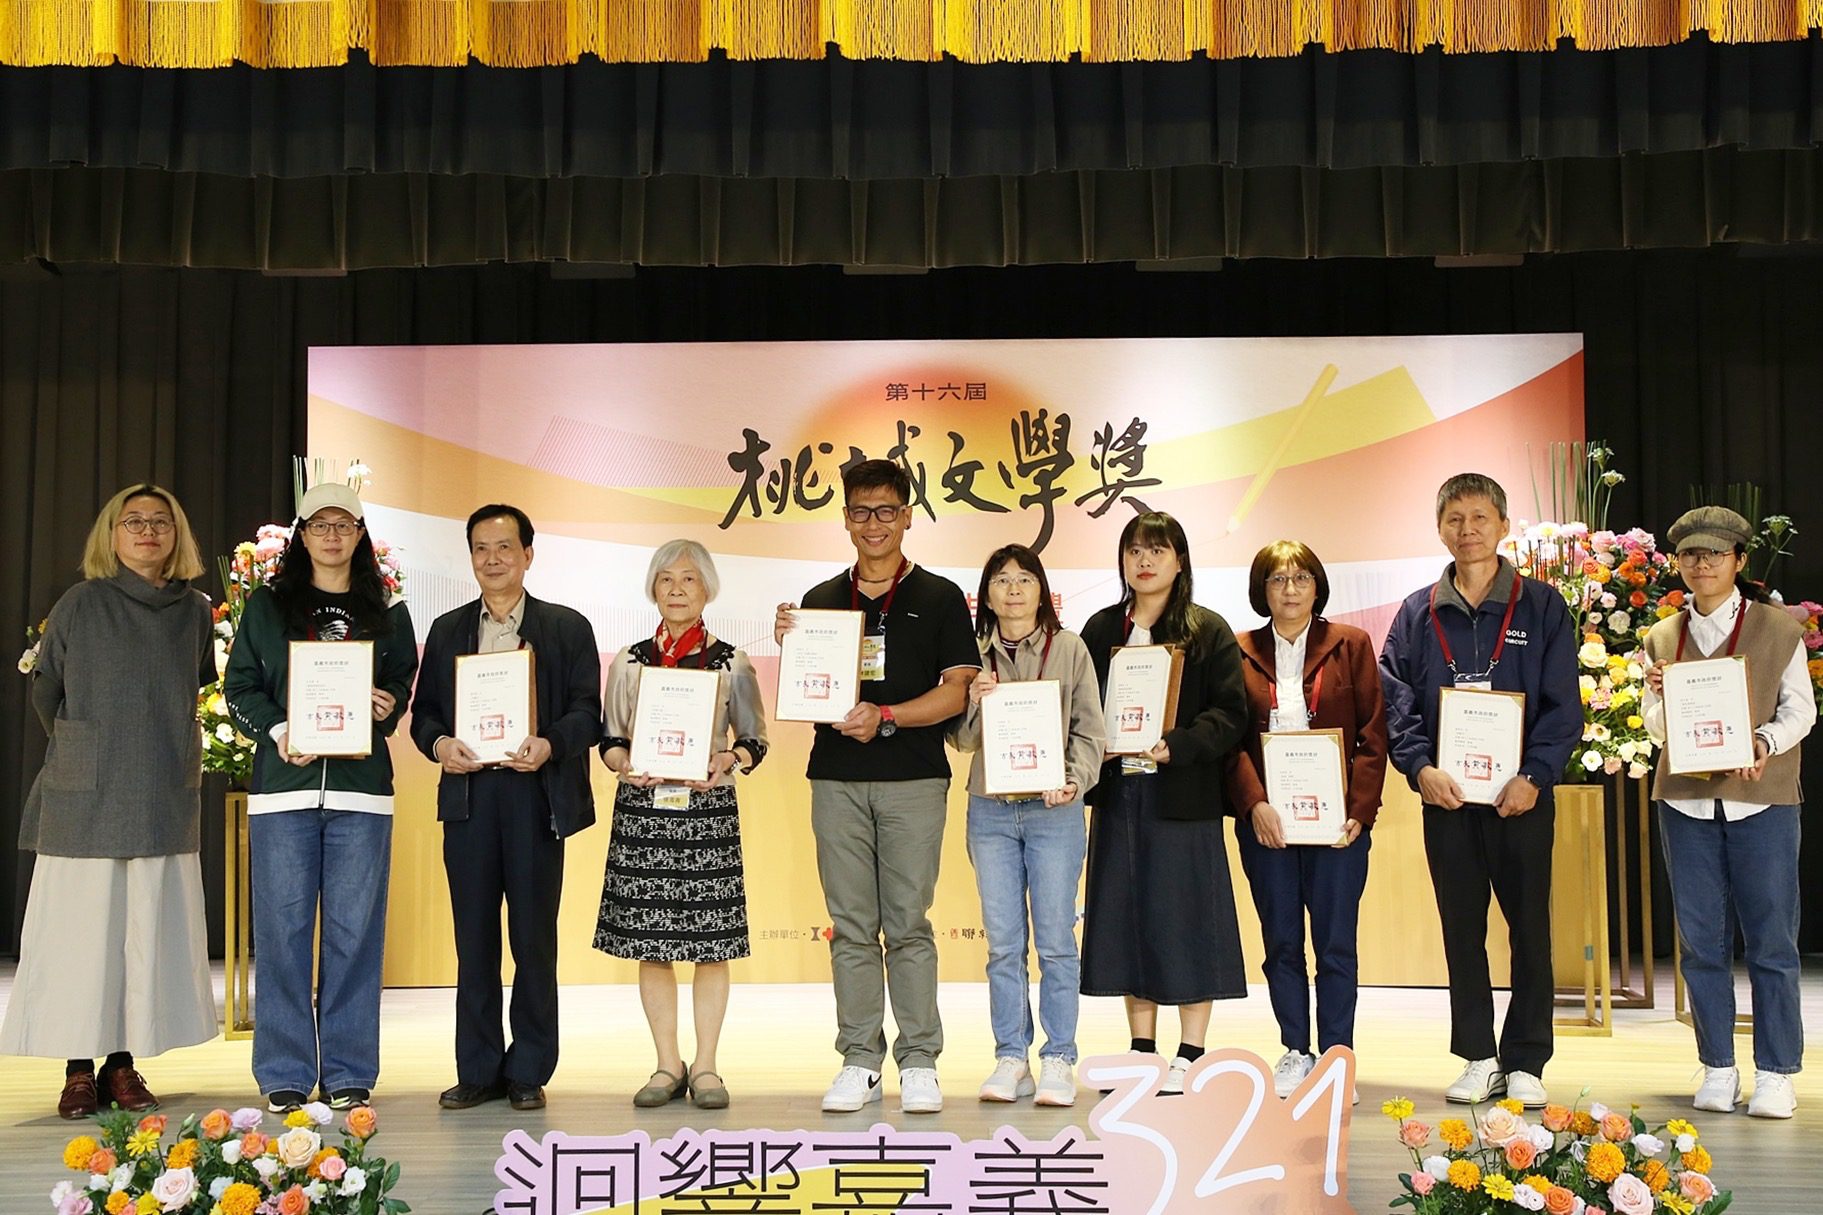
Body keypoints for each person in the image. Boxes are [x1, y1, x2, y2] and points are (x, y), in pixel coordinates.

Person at [2, 485, 217, 1118]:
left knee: (140, 933)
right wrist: (86, 748)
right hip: (86, 794)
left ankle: (122, 1064)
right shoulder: (81, 602)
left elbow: (197, 683)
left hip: (159, 788)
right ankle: (77, 1069)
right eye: (134, 521)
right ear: (112, 534)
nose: (148, 531)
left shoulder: (194, 611)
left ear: (177, 535)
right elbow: (47, 690)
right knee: (82, 934)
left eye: (160, 521)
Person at [772, 459, 979, 1114]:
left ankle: (919, 1060)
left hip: (913, 778)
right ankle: (859, 1058)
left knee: (908, 924)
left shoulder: (940, 596)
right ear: (844, 518)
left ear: (907, 516)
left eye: (886, 510)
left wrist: (885, 715)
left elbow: (956, 691)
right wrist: (792, 649)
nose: (873, 523)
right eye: (861, 511)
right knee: (851, 926)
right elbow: (810, 691)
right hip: (837, 778)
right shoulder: (820, 599)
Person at [1378, 473, 1579, 1107]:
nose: (1467, 530)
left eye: (1479, 518)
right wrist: (1419, 768)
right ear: (1440, 529)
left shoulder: (1541, 606)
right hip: (1447, 798)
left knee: (1530, 930)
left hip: (1520, 799)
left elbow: (1563, 704)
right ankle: (1477, 1056)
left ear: (1503, 525)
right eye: (1455, 519)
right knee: (1460, 929)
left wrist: (1535, 776)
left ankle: (1527, 1060)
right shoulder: (1417, 612)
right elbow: (1395, 699)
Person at [223, 482, 418, 1113]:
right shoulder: (267, 606)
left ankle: (348, 1069)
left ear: (360, 536)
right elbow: (240, 686)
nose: (332, 536)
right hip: (283, 793)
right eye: (319, 525)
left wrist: (388, 705)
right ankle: (284, 1069)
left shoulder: (388, 609)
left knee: (354, 934)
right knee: (282, 933)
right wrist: (280, 730)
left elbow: (400, 680)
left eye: (344, 525)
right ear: (302, 536)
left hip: (362, 794)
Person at [409, 504, 602, 1112]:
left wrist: (551, 744)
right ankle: (478, 1069)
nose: (492, 559)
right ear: (470, 556)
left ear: (527, 555)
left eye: (504, 547)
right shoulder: (447, 630)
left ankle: (528, 1069)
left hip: (535, 798)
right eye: (481, 548)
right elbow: (424, 715)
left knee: (533, 939)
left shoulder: (566, 627)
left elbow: (587, 713)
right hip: (469, 798)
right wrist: (441, 745)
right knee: (474, 940)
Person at [1641, 506, 1815, 1118]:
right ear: (1679, 563)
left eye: (1715, 553)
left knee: (1772, 941)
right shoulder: (1662, 636)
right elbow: (1655, 727)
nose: (1702, 564)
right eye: (1691, 554)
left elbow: (1801, 710)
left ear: (1740, 560)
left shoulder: (1778, 628)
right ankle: (1718, 1065)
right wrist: (1662, 699)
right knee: (1701, 942)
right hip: (1685, 801)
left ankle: (1776, 1071)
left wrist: (1764, 741)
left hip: (1762, 801)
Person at [1078, 511, 1250, 1095]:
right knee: (1129, 916)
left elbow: (1230, 714)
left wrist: (1176, 745)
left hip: (1180, 795)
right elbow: (1079, 705)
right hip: (1118, 793)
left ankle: (1192, 1050)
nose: (1144, 560)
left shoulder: (1207, 630)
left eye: (1157, 549)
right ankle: (1143, 1049)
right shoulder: (1101, 629)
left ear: (1180, 560)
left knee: (1187, 918)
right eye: (1134, 550)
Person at [596, 539, 768, 1111]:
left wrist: (728, 759)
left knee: (711, 944)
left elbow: (754, 739)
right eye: (666, 579)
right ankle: (668, 1064)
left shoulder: (731, 662)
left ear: (707, 589)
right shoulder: (630, 660)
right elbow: (611, 738)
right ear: (652, 588)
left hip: (707, 812)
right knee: (652, 944)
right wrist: (624, 765)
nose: (676, 589)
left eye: (689, 579)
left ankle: (708, 1065)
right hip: (644, 811)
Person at [1224, 541, 1387, 1099]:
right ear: (1261, 590)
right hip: (1267, 823)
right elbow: (1230, 741)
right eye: (1277, 579)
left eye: (1300, 578)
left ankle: (1337, 1055)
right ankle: (1296, 1049)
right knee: (1282, 943)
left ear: (1318, 586)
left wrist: (1358, 812)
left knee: (1336, 943)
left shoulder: (1351, 644)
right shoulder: (1239, 650)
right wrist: (1254, 804)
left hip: (1337, 826)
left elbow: (1373, 735)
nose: (1289, 590)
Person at [951, 544, 1105, 1107]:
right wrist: (973, 701)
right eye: (1001, 580)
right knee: (1003, 943)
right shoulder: (971, 654)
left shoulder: (1071, 649)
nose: (1013, 590)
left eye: (1024, 579)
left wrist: (1073, 780)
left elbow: (1090, 731)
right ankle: (1011, 1056)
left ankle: (1059, 1056)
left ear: (1042, 591)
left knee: (1057, 941)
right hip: (991, 809)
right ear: (986, 596)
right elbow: (961, 739)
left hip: (1053, 810)